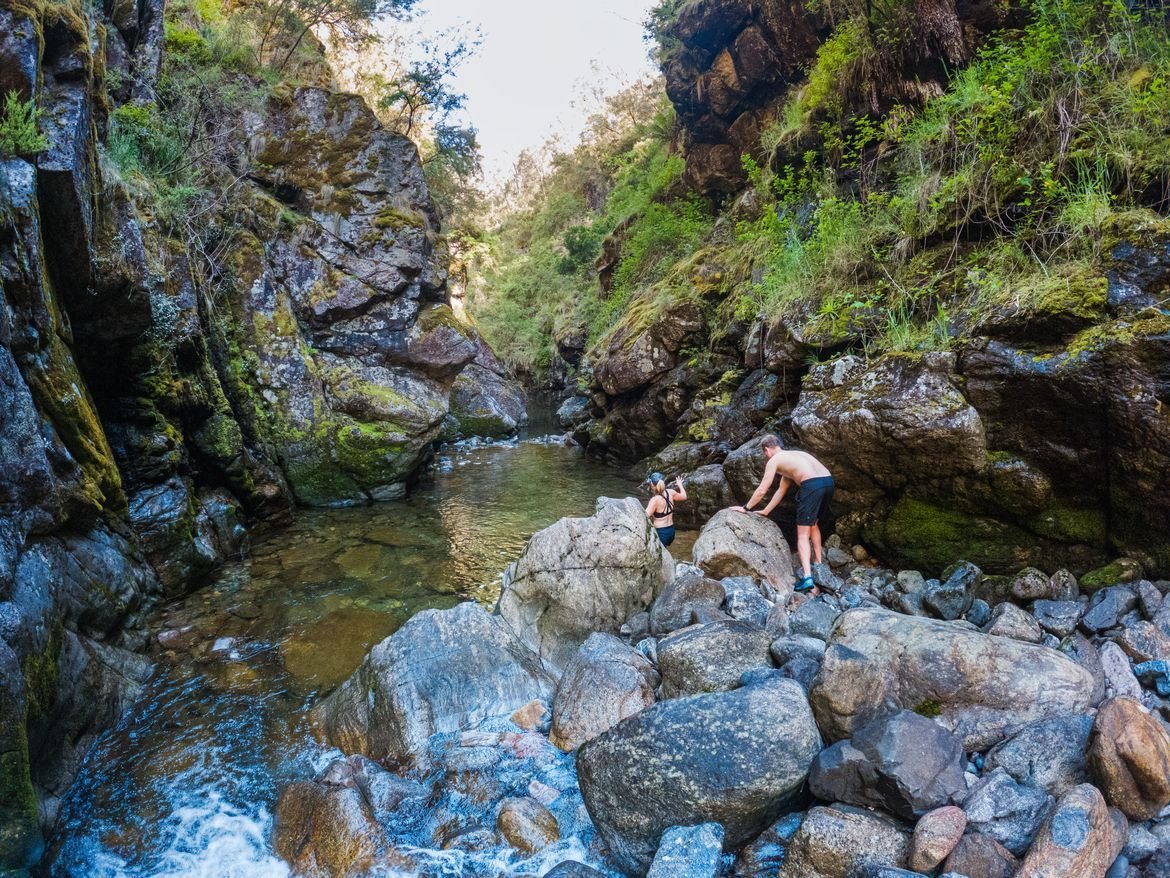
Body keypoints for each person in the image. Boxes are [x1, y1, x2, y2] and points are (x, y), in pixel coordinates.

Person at [731, 434, 834, 594]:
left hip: (811, 485)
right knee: (813, 523)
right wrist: (765, 511)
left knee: (802, 534)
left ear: (766, 450)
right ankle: (819, 566)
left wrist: (745, 508)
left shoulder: (774, 460)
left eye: (765, 454)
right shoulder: (794, 456)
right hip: (827, 481)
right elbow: (781, 490)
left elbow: (762, 489)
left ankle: (808, 578)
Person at [645, 472, 686, 547]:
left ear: (652, 485)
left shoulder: (655, 500)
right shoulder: (671, 492)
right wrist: (680, 485)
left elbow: (644, 516)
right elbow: (684, 496)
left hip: (661, 533)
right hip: (671, 531)